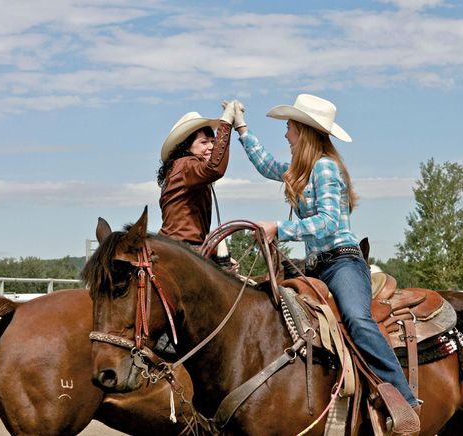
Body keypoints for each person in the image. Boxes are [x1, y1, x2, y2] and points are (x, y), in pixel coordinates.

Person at [232, 94, 422, 416]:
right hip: (315, 267)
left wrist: (279, 228)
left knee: (357, 319)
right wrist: (242, 128)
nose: (285, 134)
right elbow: (265, 165)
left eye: (289, 127)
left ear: (303, 131)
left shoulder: (324, 168)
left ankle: (404, 399)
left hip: (341, 261)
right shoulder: (299, 168)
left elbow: (329, 222)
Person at [157, 102, 236, 248]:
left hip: (179, 246)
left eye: (213, 141)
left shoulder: (184, 168)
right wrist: (225, 124)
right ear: (186, 145)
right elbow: (215, 169)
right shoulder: (186, 165)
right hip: (180, 248)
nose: (211, 147)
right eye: (204, 142)